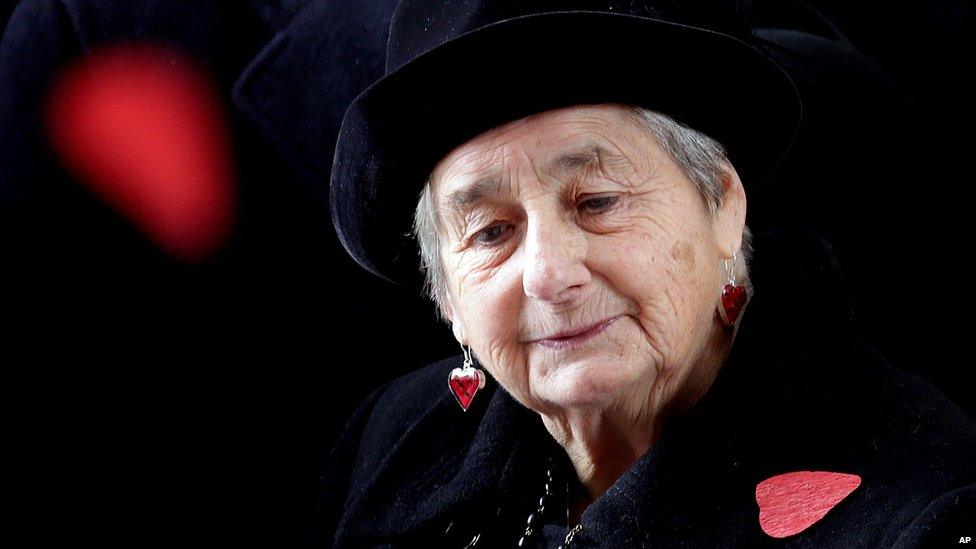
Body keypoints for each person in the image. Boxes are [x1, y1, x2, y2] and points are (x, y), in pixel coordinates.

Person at [313, 0, 976, 547]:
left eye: (597, 201)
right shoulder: (386, 445)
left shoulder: (927, 512)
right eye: (491, 231)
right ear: (448, 295)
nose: (548, 274)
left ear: (721, 205)